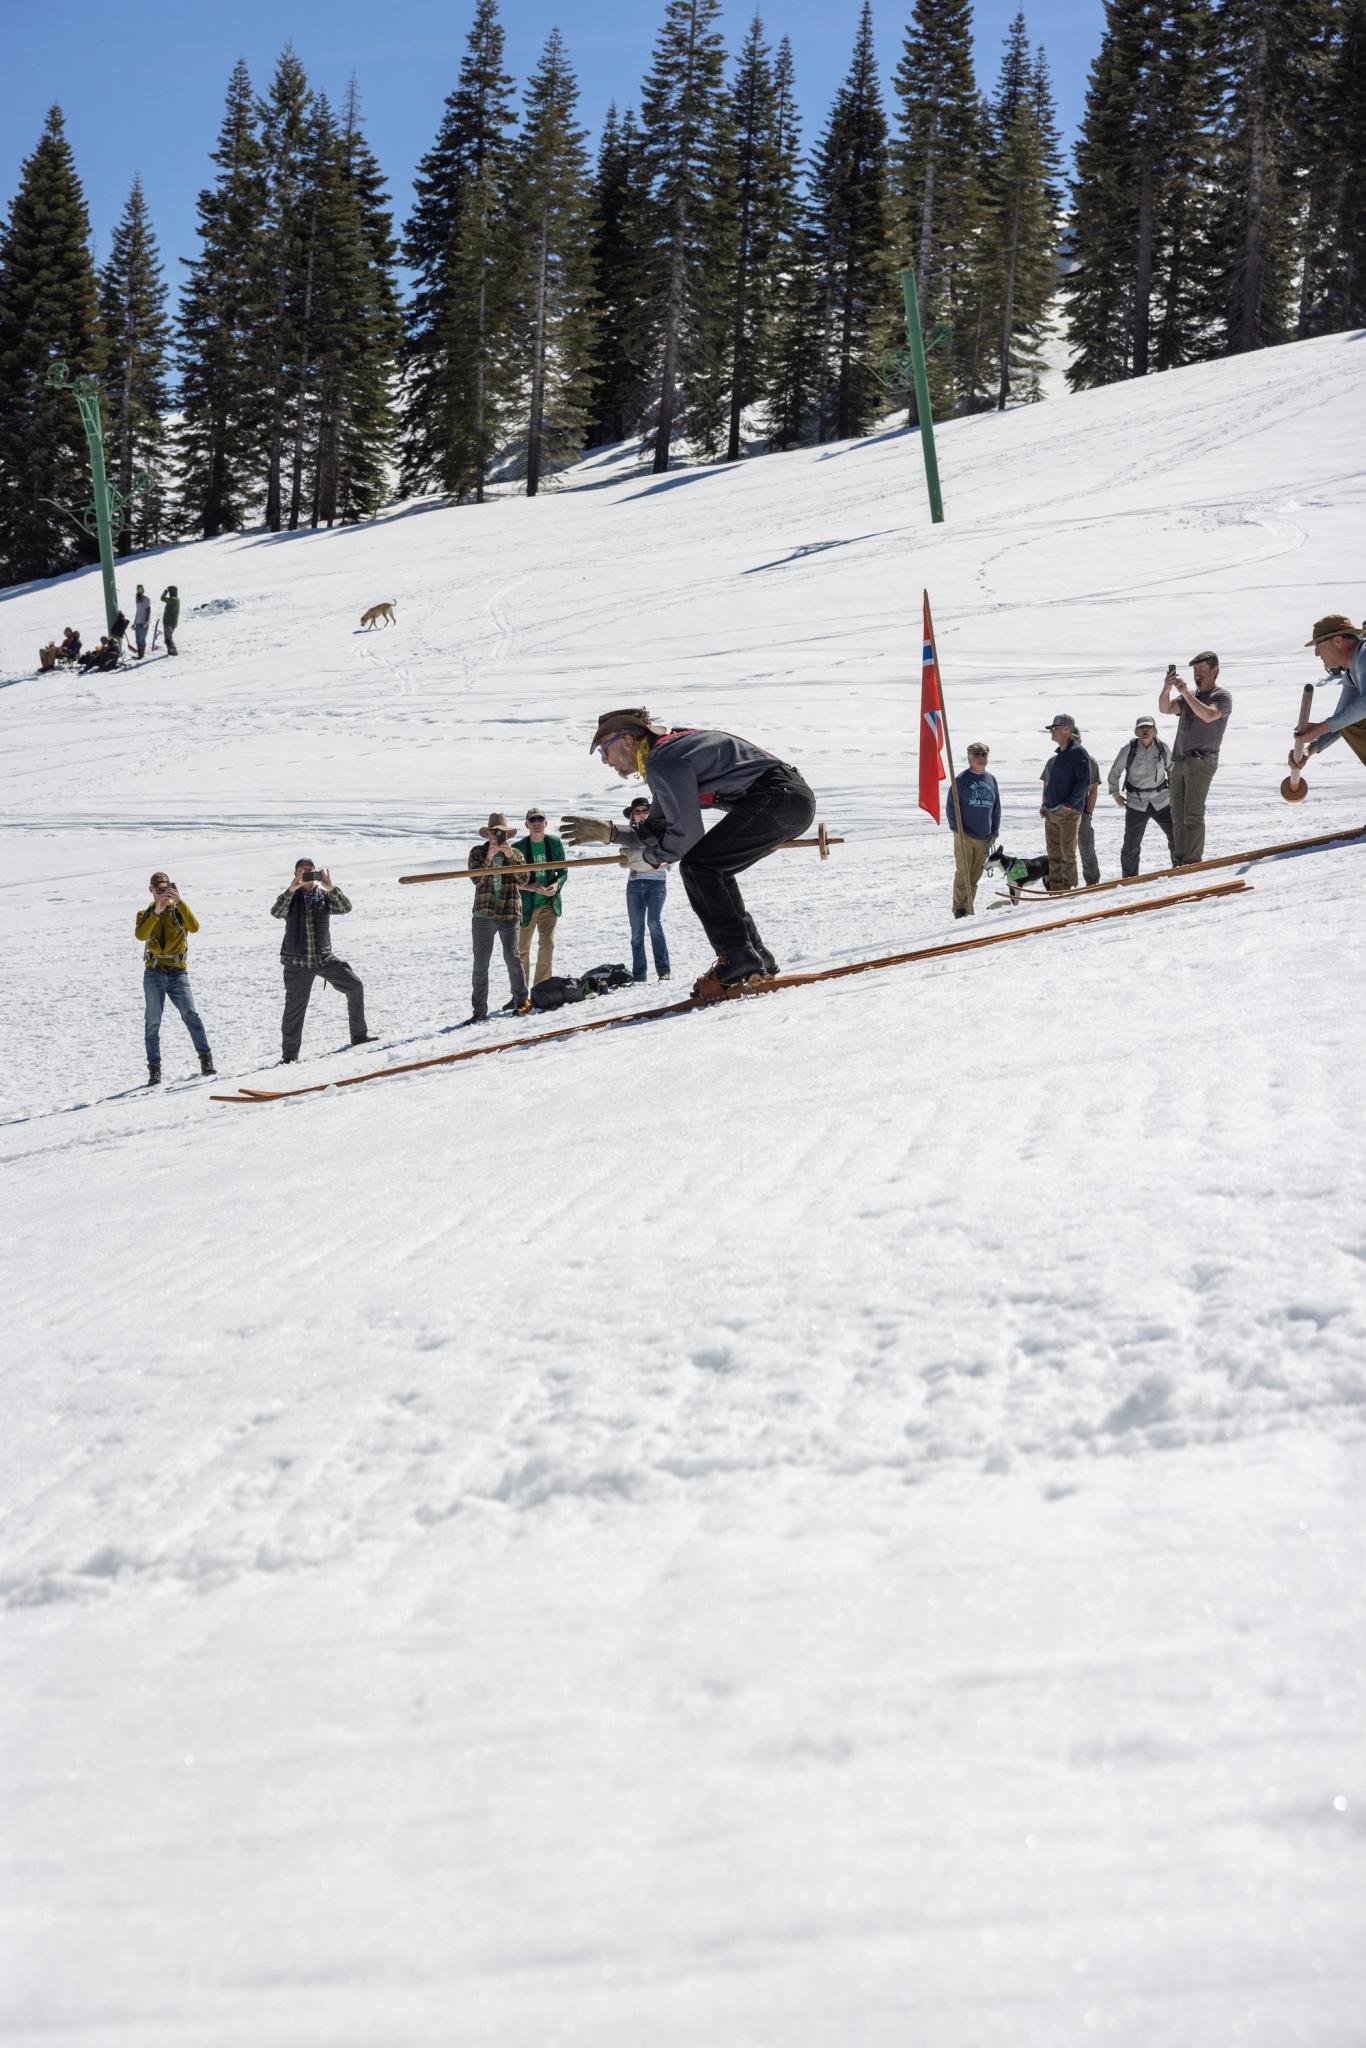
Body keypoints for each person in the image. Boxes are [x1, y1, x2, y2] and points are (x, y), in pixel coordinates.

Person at [563, 708, 815, 989]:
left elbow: (687, 834)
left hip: (779, 800)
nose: (604, 760)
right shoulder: (667, 753)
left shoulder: (664, 760)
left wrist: (650, 859)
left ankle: (737, 956)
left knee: (699, 867)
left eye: (604, 750)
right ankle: (754, 954)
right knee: (714, 868)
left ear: (627, 741)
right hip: (788, 801)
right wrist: (611, 833)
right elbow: (656, 827)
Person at [271, 858, 373, 1062]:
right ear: (295, 874)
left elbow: (346, 907)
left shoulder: (324, 896)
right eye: (302, 871)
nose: (306, 874)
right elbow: (276, 912)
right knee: (294, 1010)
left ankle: (359, 1036)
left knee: (355, 985)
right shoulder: (290, 897)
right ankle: (289, 1057)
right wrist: (291, 889)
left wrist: (330, 886)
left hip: (324, 958)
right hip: (297, 963)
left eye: (310, 870)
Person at [136, 870, 216, 1085]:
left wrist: (179, 901)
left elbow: (195, 927)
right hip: (154, 972)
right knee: (152, 1022)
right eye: (158, 889)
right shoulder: (145, 913)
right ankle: (154, 1071)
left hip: (177, 972)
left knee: (191, 1014)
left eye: (165, 888)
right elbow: (141, 935)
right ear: (151, 890)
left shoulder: (179, 910)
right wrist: (156, 911)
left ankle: (206, 1060)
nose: (162, 892)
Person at [1159, 650, 1232, 865]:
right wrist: (1167, 688)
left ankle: (1192, 861)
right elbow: (1165, 708)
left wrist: (1186, 694)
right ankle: (1179, 861)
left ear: (1215, 670)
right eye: (1194, 669)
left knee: (1193, 814)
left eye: (1201, 668)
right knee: (1178, 816)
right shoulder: (1190, 696)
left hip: (1201, 761)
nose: (1197, 673)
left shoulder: (1221, 696)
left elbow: (1209, 715)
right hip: (1180, 760)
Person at [463, 813, 529, 1024]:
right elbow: (476, 880)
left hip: (509, 911)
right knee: (480, 963)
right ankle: (479, 1010)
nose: (498, 836)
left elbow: (524, 879)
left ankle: (521, 1002)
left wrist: (511, 857)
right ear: (488, 834)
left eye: (502, 833)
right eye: (495, 832)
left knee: (512, 957)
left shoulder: (516, 853)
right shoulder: (478, 852)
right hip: (484, 914)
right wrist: (489, 859)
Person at [1290, 614, 1366, 771]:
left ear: (1338, 641)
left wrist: (1320, 728)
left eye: (1318, 646)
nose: (1317, 654)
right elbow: (1343, 719)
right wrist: (1310, 750)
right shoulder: (1351, 674)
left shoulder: (1364, 655)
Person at [1108, 716, 1174, 876]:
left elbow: (1173, 770)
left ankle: (1181, 869)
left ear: (1154, 730)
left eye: (1148, 727)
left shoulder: (1162, 748)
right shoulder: (1128, 749)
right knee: (1131, 845)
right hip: (1136, 804)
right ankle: (1129, 879)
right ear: (1137, 731)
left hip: (1162, 801)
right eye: (1142, 728)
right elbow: (1114, 772)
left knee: (1177, 837)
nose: (1145, 730)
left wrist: (1174, 794)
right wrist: (1115, 794)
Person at [511, 806, 568, 990]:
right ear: (526, 824)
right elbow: (510, 880)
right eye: (532, 820)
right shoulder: (518, 848)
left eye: (540, 819)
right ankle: (521, 993)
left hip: (549, 903)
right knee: (522, 949)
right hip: (526, 906)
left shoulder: (554, 843)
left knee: (547, 946)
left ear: (546, 823)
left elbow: (563, 871)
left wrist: (556, 885)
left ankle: (542, 990)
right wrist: (529, 886)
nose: (537, 823)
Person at [945, 742, 1001, 917]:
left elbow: (996, 808)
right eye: (977, 755)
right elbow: (951, 807)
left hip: (984, 836)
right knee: (963, 872)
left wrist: (994, 831)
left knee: (975, 874)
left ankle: (968, 908)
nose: (981, 758)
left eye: (984, 755)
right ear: (969, 758)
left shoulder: (991, 780)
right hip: (965, 835)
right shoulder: (962, 780)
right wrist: (957, 830)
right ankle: (959, 909)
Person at [1039, 714, 1092, 892]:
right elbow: (1052, 783)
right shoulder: (1060, 754)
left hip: (1067, 813)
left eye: (1054, 728)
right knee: (1053, 853)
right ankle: (1056, 888)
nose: (1051, 731)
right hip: (1052, 812)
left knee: (1067, 853)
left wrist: (1069, 804)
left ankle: (1069, 888)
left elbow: (1084, 781)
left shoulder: (1078, 752)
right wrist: (1046, 804)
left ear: (1066, 729)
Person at [621, 796, 672, 979]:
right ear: (633, 816)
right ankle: (639, 974)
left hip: (656, 884)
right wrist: (625, 863)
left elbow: (669, 859)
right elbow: (624, 859)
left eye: (645, 811)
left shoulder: (661, 831)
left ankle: (664, 970)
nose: (642, 814)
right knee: (636, 931)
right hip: (634, 885)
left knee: (653, 922)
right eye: (638, 812)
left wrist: (652, 865)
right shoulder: (629, 834)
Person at [1073, 729, 1103, 885]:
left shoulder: (1090, 761)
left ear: (1080, 740)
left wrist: (1088, 813)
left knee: (1086, 848)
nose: (1073, 741)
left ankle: (1092, 882)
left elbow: (1093, 790)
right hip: (1059, 813)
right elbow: (1047, 787)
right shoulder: (1054, 761)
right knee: (1062, 851)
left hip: (1081, 812)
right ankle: (1065, 884)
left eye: (1075, 738)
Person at [160, 585, 180, 657]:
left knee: (168, 639)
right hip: (170, 622)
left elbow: (162, 598)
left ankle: (173, 651)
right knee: (168, 638)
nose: (169, 593)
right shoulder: (175, 599)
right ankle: (170, 651)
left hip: (169, 623)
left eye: (170, 591)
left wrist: (165, 592)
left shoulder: (174, 599)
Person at [132, 585, 152, 660]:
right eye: (137, 589)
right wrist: (134, 623)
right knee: (138, 639)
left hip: (144, 622)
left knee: (142, 639)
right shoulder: (137, 599)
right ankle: (140, 655)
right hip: (138, 622)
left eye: (140, 589)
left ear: (143, 590)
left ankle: (141, 655)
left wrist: (146, 622)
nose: (139, 591)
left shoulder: (147, 599)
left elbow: (148, 611)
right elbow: (137, 611)